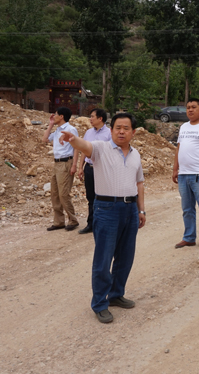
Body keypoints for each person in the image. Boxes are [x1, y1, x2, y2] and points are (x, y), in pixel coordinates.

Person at [59, 113, 146, 323]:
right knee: (103, 258)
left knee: (125, 257)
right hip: (107, 208)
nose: (121, 132)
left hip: (130, 209)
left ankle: (116, 294)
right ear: (112, 129)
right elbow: (84, 145)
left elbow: (139, 183)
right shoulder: (101, 148)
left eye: (126, 128)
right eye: (117, 128)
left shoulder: (135, 154)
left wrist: (141, 210)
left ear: (133, 132)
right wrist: (72, 139)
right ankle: (99, 303)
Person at [172, 98, 199, 251]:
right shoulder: (184, 127)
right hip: (184, 174)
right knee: (187, 209)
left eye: (194, 107)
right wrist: (175, 169)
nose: (190, 110)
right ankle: (189, 237)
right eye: (188, 107)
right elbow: (179, 148)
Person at [42, 107, 79, 231]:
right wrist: (51, 125)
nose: (54, 116)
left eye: (56, 114)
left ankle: (73, 220)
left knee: (63, 194)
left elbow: (76, 147)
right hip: (56, 163)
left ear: (62, 116)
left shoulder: (71, 129)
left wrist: (74, 165)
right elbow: (45, 139)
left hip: (66, 162)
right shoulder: (57, 130)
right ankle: (59, 222)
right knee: (55, 193)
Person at [75, 108, 112, 234]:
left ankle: (103, 224)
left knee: (103, 197)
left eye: (92, 116)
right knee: (90, 197)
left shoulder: (109, 133)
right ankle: (91, 224)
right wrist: (81, 167)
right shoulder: (88, 132)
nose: (90, 119)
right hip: (89, 168)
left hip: (102, 169)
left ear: (100, 118)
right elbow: (84, 150)